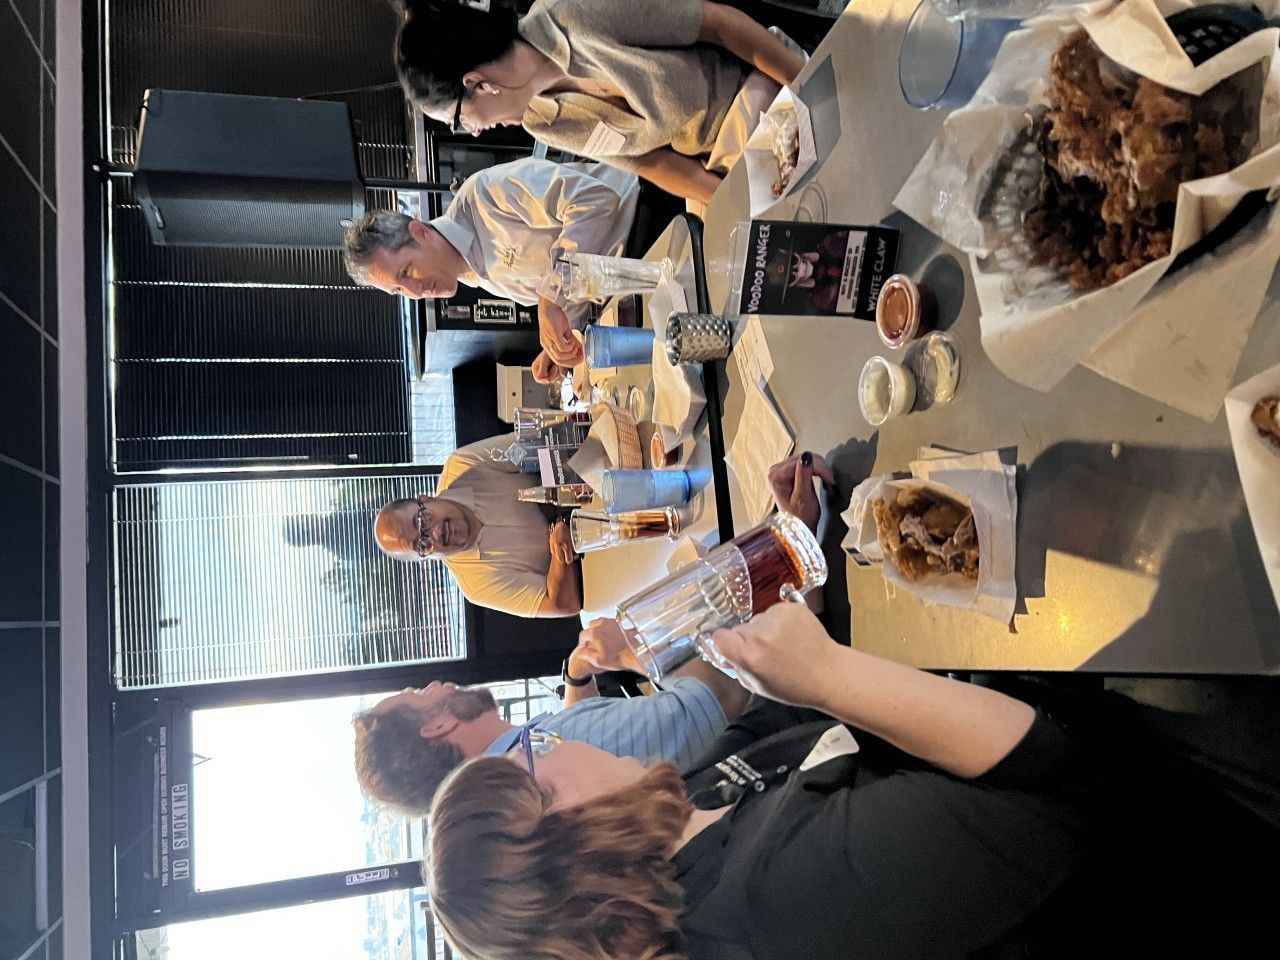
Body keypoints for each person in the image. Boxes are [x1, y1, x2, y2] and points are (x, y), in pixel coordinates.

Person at [426, 600, 1105, 960]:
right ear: (557, 812)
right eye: (536, 752)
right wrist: (830, 676)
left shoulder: (674, 828)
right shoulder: (776, 903)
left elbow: (765, 723)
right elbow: (1067, 791)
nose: (555, 739)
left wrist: (790, 610)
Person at [394, 0, 805, 205]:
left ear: (477, 83)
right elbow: (649, 161)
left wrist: (805, 87)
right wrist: (729, 204)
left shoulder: (573, 15)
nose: (474, 132)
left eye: (458, 120)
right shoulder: (541, 121)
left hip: (763, 88)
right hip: (729, 157)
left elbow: (715, 23)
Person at [352, 619, 749, 816]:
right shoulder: (557, 752)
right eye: (422, 693)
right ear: (438, 726)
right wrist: (636, 646)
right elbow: (723, 698)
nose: (436, 683)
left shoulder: (526, 776)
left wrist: (577, 676)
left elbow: (578, 729)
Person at [343, 156, 641, 374]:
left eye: (407, 271)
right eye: (399, 290)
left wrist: (551, 294)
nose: (415, 291)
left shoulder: (486, 195)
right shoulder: (474, 275)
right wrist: (560, 343)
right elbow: (573, 292)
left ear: (420, 232)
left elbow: (596, 200)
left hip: (645, 222)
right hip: (632, 284)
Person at [373, 432, 587, 617]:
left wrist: (558, 506)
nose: (436, 533)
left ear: (425, 498)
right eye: (422, 544)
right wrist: (560, 543)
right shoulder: (477, 584)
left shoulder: (464, 464)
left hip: (588, 478)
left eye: (422, 520)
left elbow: (534, 444)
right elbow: (564, 605)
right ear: (425, 558)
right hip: (594, 559)